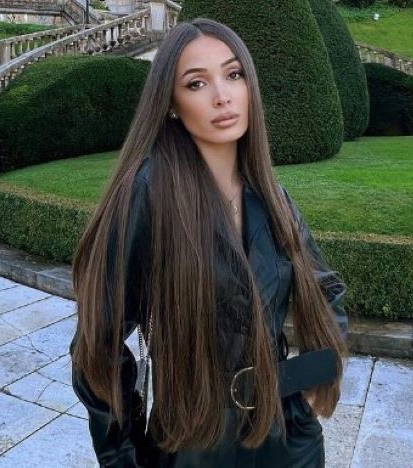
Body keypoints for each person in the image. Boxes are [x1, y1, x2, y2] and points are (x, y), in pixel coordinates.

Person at [69, 17, 349, 468]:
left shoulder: (273, 198)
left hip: (288, 437)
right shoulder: (148, 194)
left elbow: (325, 289)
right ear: (171, 103)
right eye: (196, 83)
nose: (222, 96)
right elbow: (96, 345)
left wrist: (320, 371)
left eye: (233, 74)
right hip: (195, 442)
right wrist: (124, 455)